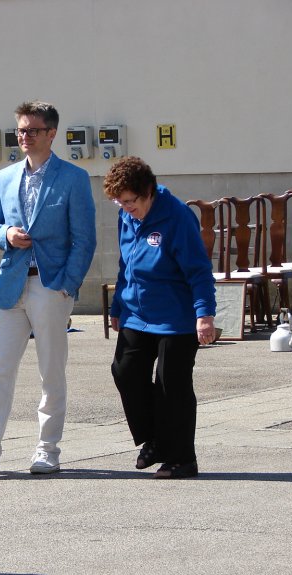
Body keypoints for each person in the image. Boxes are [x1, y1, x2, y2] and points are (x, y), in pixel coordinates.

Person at [0, 100, 97, 474]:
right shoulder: (6, 176)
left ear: (51, 133)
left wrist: (67, 285)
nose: (24, 137)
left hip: (50, 286)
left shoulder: (73, 177)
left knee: (51, 370)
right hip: (10, 284)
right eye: (20, 130)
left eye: (32, 130)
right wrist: (6, 233)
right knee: (0, 369)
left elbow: (85, 239)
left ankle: (48, 449)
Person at [103, 156, 216, 479]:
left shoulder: (177, 217)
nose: (126, 208)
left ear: (148, 191)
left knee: (172, 384)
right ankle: (155, 439)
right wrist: (117, 307)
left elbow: (198, 270)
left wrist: (204, 315)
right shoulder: (127, 217)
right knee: (125, 371)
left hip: (177, 316)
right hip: (138, 312)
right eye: (119, 202)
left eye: (130, 201)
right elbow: (127, 265)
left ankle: (182, 458)